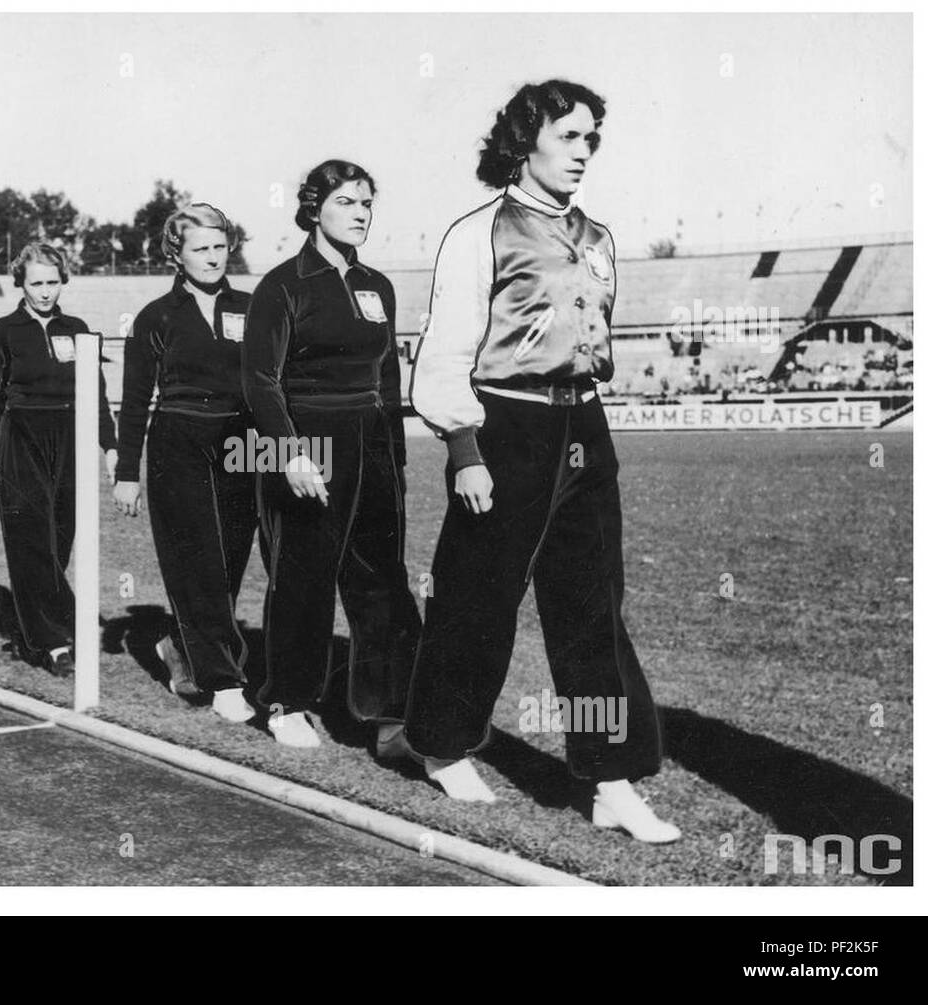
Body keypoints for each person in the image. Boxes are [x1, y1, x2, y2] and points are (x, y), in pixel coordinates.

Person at [406, 79, 680, 842]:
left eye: (593, 137)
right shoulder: (479, 232)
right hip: (503, 428)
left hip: (583, 429)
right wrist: (464, 449)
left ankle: (610, 775)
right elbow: (448, 350)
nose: (584, 151)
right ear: (525, 143)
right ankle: (441, 742)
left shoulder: (598, 236)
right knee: (477, 597)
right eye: (569, 136)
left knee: (593, 606)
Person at [242, 159, 420, 751]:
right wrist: (289, 453)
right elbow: (261, 380)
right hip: (306, 439)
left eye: (367, 203)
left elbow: (388, 377)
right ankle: (286, 700)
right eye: (347, 202)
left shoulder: (379, 286)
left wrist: (394, 457)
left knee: (382, 581)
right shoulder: (283, 285)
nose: (361, 214)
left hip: (370, 442)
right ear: (314, 209)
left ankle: (390, 713)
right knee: (304, 577)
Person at [113, 204, 261, 722]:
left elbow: (272, 385)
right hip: (178, 441)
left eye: (220, 246)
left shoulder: (253, 306)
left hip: (243, 441)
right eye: (200, 248)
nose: (213, 257)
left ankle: (179, 644)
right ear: (176, 254)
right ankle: (224, 682)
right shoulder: (157, 316)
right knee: (196, 559)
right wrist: (127, 473)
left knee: (231, 559)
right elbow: (134, 401)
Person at [0, 242, 118, 675]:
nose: (45, 292)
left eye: (52, 282)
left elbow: (96, 391)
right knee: (29, 539)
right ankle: (51, 642)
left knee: (59, 539)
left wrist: (110, 447)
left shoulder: (77, 327)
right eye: (36, 283)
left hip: (70, 441)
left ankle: (34, 624)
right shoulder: (3, 330)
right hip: (19, 440)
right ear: (21, 282)